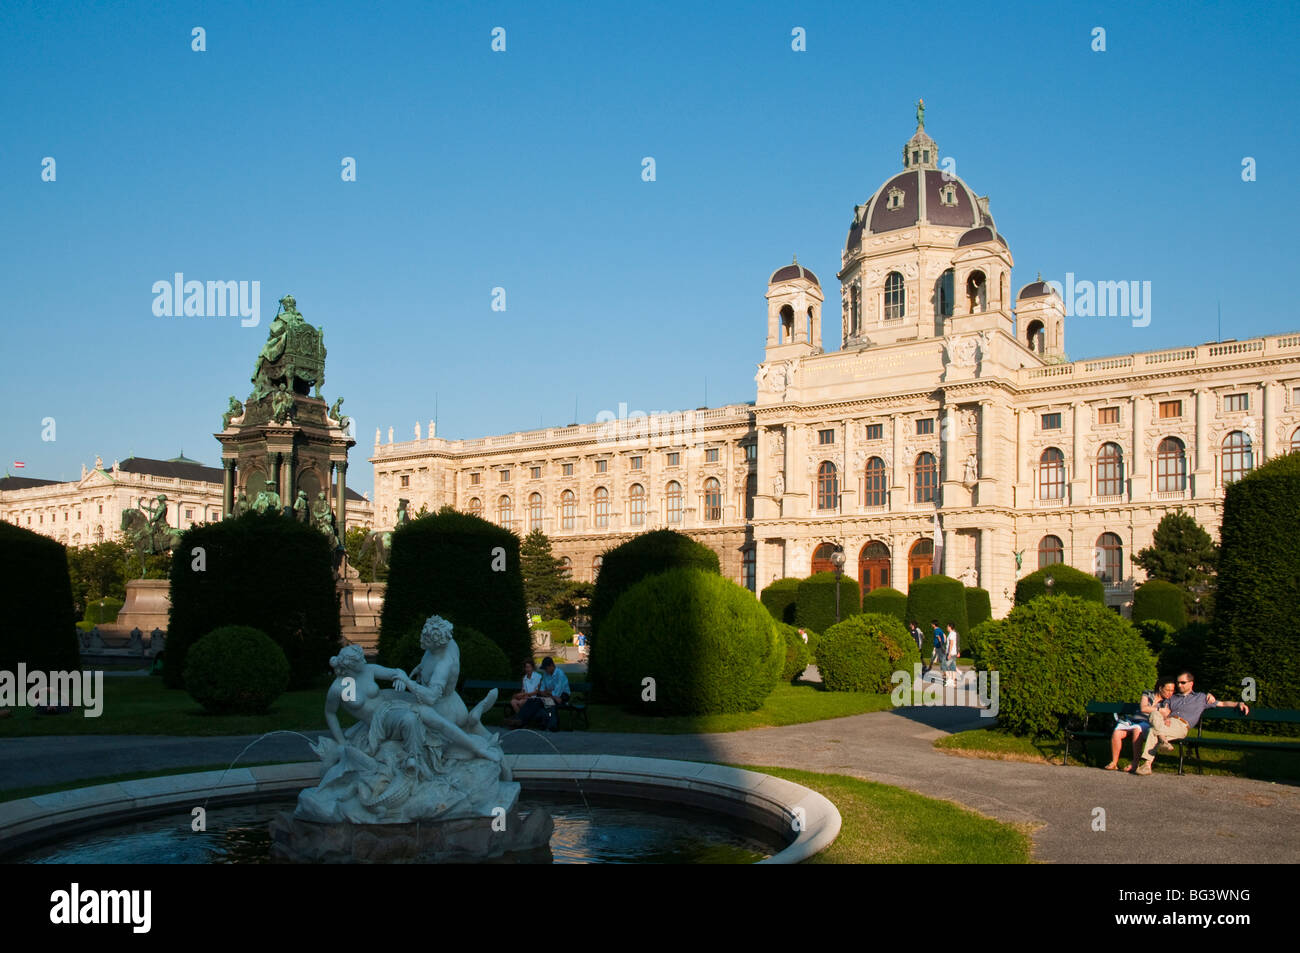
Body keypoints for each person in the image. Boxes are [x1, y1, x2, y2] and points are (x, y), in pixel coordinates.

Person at [1134, 669, 1250, 775]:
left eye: (1182, 682)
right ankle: (1156, 750)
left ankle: (1148, 763)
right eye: (1178, 682)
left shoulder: (1201, 698)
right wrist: (1165, 718)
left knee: (1153, 730)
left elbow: (1223, 703)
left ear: (1191, 683)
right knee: (1154, 715)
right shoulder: (1172, 698)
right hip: (1167, 723)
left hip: (1181, 725)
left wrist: (1238, 703)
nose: (1179, 685)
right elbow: (1164, 711)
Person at [1105, 678, 1172, 771]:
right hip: (1134, 720)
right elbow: (1143, 708)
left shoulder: (1167, 702)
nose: (1170, 693)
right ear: (1160, 688)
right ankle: (1114, 762)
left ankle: (1135, 763)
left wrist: (1161, 713)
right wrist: (1159, 710)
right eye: (1168, 690)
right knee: (1117, 732)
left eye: (1172, 690)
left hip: (1147, 723)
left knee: (1137, 729)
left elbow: (1166, 714)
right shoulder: (1147, 693)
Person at [513, 657, 570, 732]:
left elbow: (557, 694)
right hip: (549, 697)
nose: (545, 670)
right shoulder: (546, 674)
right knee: (532, 701)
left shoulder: (560, 674)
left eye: (546, 668)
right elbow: (542, 690)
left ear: (551, 666)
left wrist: (548, 692)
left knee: (544, 703)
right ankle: (519, 720)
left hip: (562, 697)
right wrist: (548, 692)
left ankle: (521, 721)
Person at [942, 622, 960, 686]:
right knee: (952, 667)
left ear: (950, 627)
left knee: (944, 666)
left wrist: (949, 653)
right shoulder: (953, 633)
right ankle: (953, 682)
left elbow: (951, 644)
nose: (947, 628)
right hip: (953, 652)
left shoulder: (952, 634)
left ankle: (950, 679)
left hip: (951, 653)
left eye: (947, 626)